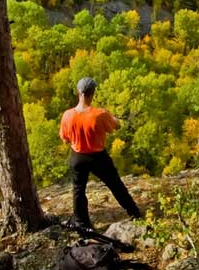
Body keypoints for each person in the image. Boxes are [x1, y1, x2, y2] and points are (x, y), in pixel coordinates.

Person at [59, 77, 141, 229]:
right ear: (92, 93)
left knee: (78, 190)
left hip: (78, 157)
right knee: (115, 185)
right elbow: (116, 126)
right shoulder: (99, 114)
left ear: (78, 92)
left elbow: (65, 139)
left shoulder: (67, 115)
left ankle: (82, 222)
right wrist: (113, 118)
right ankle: (134, 212)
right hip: (98, 157)